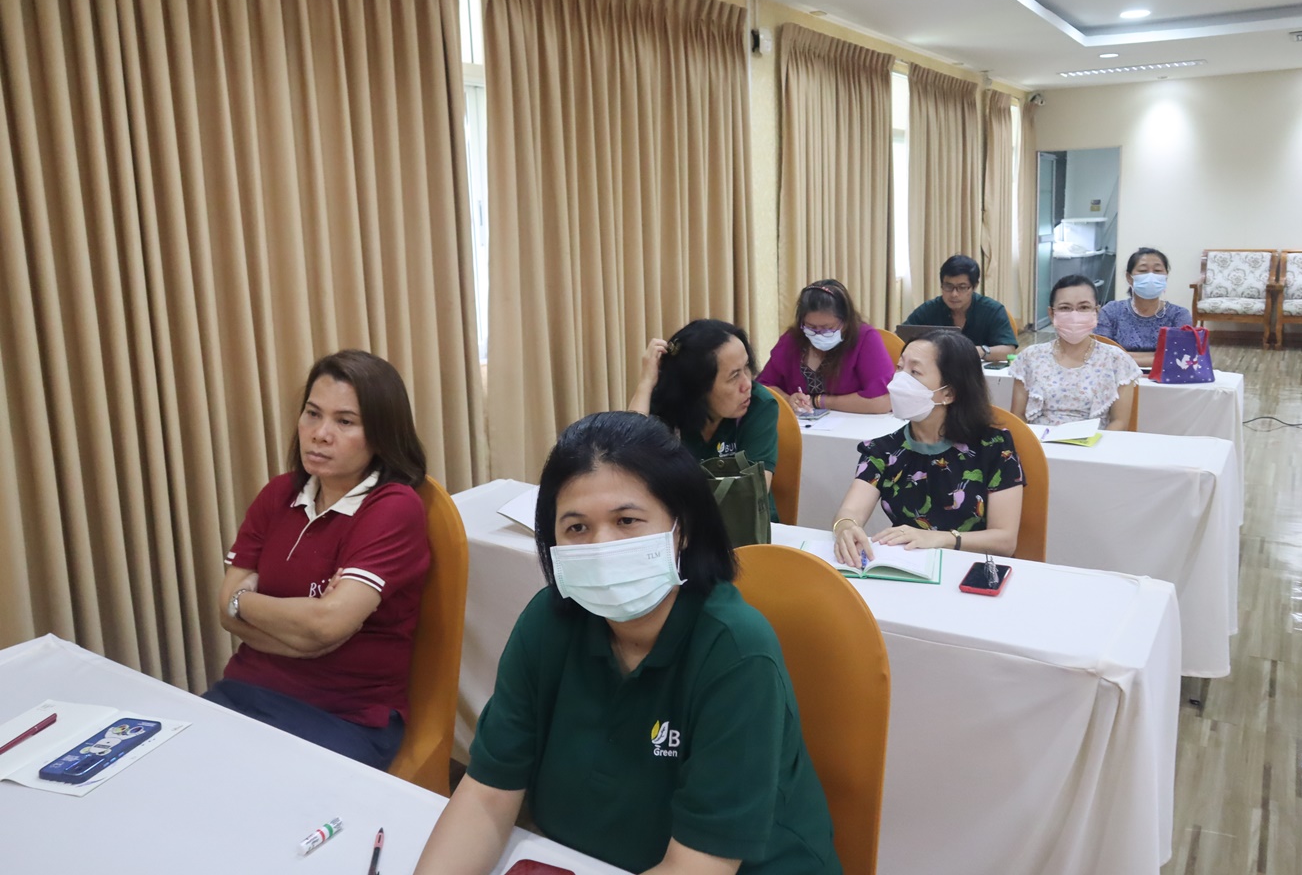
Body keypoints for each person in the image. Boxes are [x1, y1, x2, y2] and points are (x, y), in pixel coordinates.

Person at [412, 412, 841, 875]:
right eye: (576, 528)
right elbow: (486, 796)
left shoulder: (735, 652)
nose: (602, 547)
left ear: (683, 527)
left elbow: (698, 867)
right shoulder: (548, 622)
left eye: (627, 520)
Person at [203, 349, 429, 769]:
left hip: (344, 715)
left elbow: (325, 625)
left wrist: (244, 602)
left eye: (345, 421)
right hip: (244, 691)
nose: (320, 434)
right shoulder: (278, 494)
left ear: (381, 433)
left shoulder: (394, 507)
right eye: (312, 414)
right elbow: (225, 612)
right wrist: (304, 636)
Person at [829, 329, 1024, 566]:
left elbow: (1005, 541)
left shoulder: (993, 446)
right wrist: (845, 527)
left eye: (915, 372)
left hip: (974, 568)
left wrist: (939, 538)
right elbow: (851, 511)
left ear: (948, 393)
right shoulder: (884, 450)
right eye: (900, 368)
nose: (899, 381)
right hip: (910, 566)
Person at [630, 319, 779, 520]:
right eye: (734, 376)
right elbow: (627, 463)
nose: (747, 384)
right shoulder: (666, 405)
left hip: (744, 524)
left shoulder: (759, 405)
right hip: (679, 524)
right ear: (698, 388)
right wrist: (646, 383)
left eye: (746, 367)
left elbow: (752, 495)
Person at [1011, 276, 1140, 430]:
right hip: (1039, 441)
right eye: (1065, 308)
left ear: (1096, 311)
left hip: (1096, 441)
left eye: (1084, 307)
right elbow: (1018, 417)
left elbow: (1119, 422)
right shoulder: (1030, 357)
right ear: (1051, 313)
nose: (1074, 315)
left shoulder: (1117, 360)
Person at [757, 279, 895, 414]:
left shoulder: (865, 338)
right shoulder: (792, 339)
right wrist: (788, 399)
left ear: (846, 321)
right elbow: (763, 386)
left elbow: (882, 401)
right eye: (811, 327)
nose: (818, 334)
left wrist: (818, 401)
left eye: (827, 328)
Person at [903, 254, 1017, 362]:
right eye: (948, 286)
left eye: (962, 287)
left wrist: (977, 351)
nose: (954, 294)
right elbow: (901, 338)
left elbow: (1008, 350)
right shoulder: (930, 309)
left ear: (974, 286)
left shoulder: (992, 310)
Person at [1095, 247, 1192, 366]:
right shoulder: (1111, 311)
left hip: (1166, 376)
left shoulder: (1179, 315)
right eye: (1143, 270)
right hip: (1119, 375)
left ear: (1166, 277)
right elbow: (1102, 353)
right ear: (1129, 278)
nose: (1151, 276)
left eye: (1157, 270)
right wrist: (1160, 357)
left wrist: (1123, 356)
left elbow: (1181, 356)